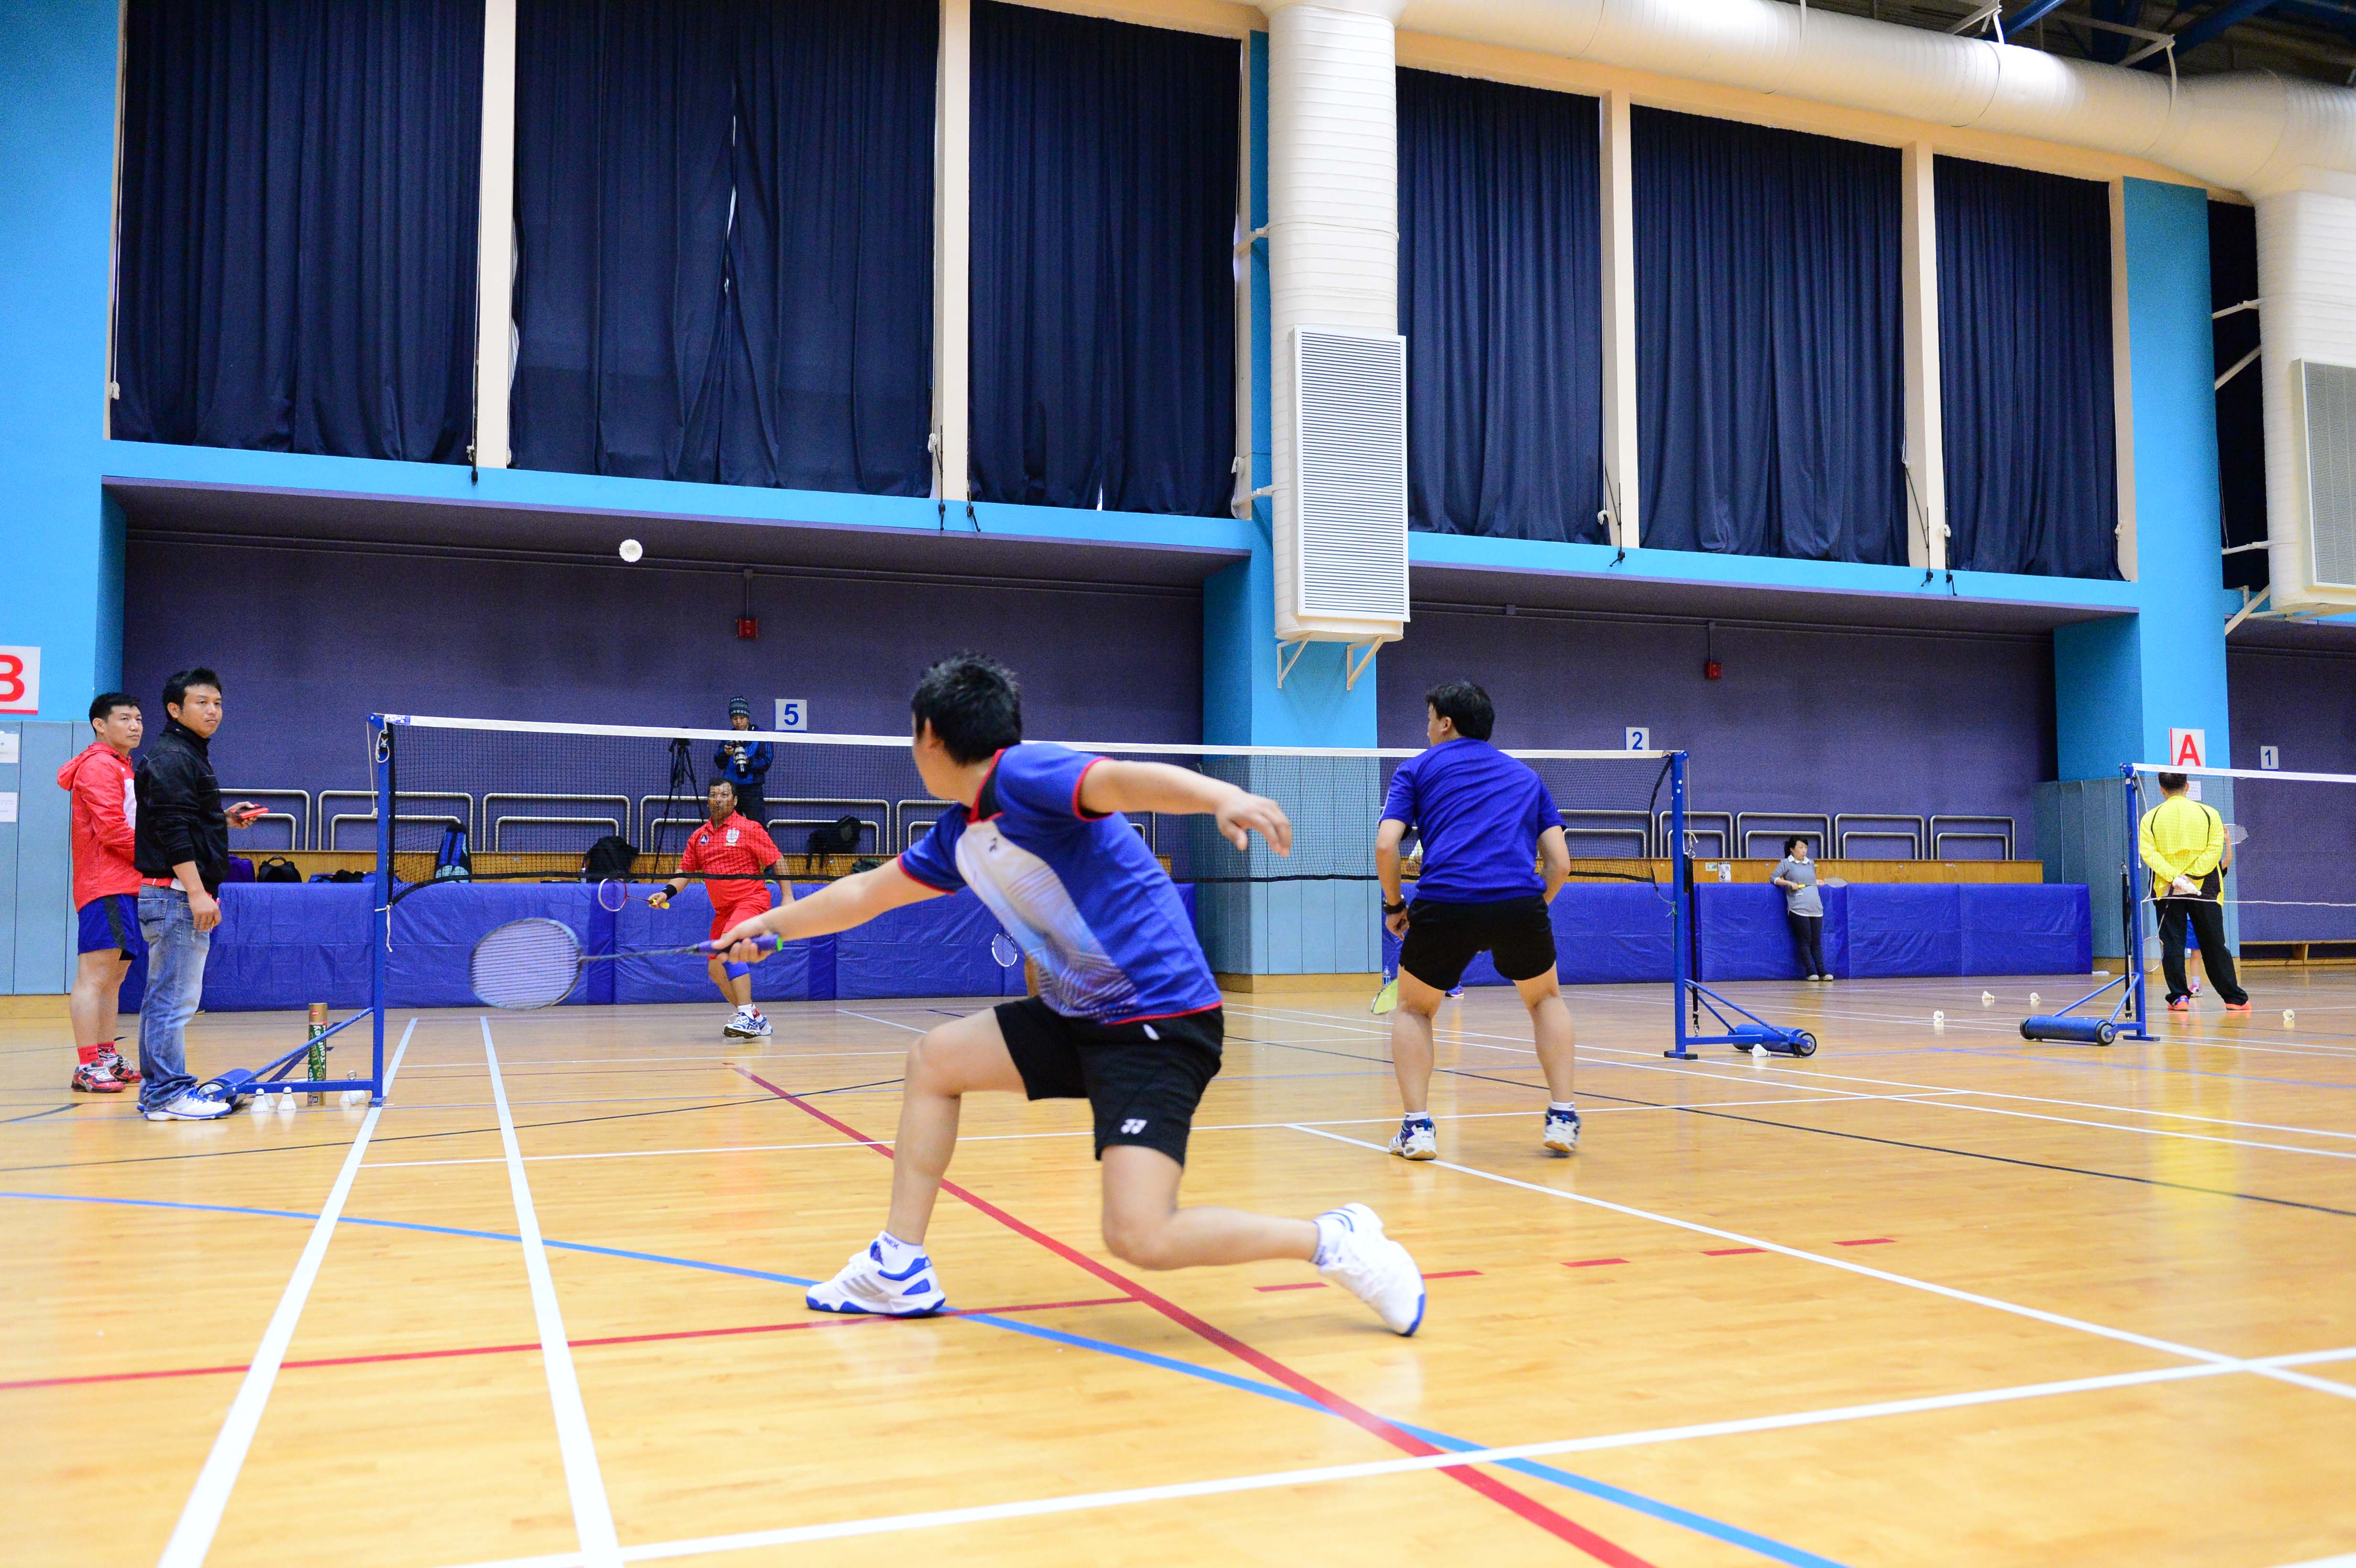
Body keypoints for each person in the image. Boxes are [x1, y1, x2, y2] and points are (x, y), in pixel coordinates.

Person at [720, 653, 1425, 1333]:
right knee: (935, 1061)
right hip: (1078, 1018)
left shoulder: (1023, 774)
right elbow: (868, 893)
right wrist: (770, 928)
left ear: (930, 735)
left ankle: (1334, 1239)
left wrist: (1221, 796)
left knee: (1141, 1235)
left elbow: (1118, 781)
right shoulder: (959, 833)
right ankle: (897, 1265)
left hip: (1158, 1021)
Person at [1375, 680, 1578, 1163]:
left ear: (1446, 723)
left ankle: (1417, 1129)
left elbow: (1386, 845)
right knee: (1545, 999)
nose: (1427, 729)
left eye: (1429, 720)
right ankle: (1563, 1117)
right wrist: (1533, 905)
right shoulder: (1526, 777)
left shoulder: (1416, 769)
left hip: (1446, 902)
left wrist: (1394, 906)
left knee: (1414, 1010)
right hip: (1518, 902)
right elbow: (1561, 864)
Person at [132, 668, 265, 1120]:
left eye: (218, 703)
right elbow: (172, 831)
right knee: (173, 1001)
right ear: (175, 709)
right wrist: (196, 892)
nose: (213, 711)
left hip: (174, 894)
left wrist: (222, 820)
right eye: (202, 703)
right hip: (174, 895)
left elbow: (182, 819)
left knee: (166, 999)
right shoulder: (173, 757)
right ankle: (167, 1095)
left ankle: (158, 1092)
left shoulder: (187, 754)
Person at [649, 778, 788, 1039]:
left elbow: (777, 860)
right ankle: (755, 1019)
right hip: (724, 911)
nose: (719, 800)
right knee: (715, 970)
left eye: (724, 795)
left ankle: (746, 1016)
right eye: (714, 795)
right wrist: (666, 892)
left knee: (728, 947)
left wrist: (788, 897)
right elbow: (685, 872)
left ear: (734, 801)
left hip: (751, 900)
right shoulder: (699, 837)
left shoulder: (749, 828)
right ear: (708, 801)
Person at [58, 692, 147, 1094]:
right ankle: (87, 1065)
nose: (135, 726)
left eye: (138, 719)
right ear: (100, 724)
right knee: (94, 976)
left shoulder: (123, 767)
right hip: (105, 885)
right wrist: (160, 859)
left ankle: (107, 1056)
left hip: (128, 883)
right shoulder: (98, 766)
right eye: (125, 718)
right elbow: (112, 830)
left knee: (115, 976)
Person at [2139, 771, 2251, 1013]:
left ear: (2161, 789)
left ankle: (2179, 997)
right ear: (2187, 786)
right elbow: (2215, 851)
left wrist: (2175, 877)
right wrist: (2192, 876)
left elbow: (2148, 853)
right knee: (2213, 943)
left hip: (2167, 887)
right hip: (2206, 888)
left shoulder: (2150, 818)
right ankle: (2235, 999)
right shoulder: (2210, 814)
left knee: (2172, 943)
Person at [1772, 837, 1830, 981]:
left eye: (1806, 847)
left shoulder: (1811, 863)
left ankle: (1822, 972)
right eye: (1801, 847)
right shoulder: (1786, 863)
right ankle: (1811, 972)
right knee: (1805, 940)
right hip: (1798, 908)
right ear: (1792, 849)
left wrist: (1816, 881)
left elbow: (1809, 881)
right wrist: (1789, 883)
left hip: (1816, 907)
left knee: (1816, 941)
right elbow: (1774, 878)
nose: (1804, 850)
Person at [713, 697, 773, 830]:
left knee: (757, 827)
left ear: (748, 716)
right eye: (735, 718)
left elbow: (767, 761)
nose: (739, 722)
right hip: (731, 789)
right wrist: (725, 753)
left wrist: (748, 762)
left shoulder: (761, 735)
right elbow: (719, 762)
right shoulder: (727, 736)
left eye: (742, 718)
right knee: (729, 826)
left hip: (753, 790)